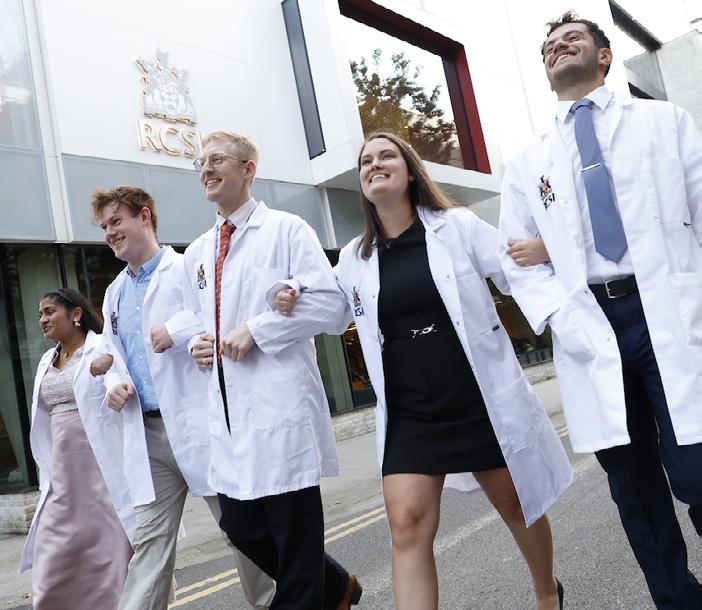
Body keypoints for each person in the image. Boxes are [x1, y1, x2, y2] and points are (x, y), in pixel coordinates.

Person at [276, 132, 571, 610]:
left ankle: (546, 592)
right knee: (407, 524)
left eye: (386, 156)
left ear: (410, 171)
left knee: (516, 503)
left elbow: (512, 265)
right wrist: (287, 292)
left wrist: (548, 249)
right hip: (409, 410)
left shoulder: (457, 227)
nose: (374, 164)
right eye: (366, 161)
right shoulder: (355, 256)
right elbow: (328, 305)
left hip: (475, 397)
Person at [499, 11, 702, 609]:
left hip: (668, 311)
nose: (559, 48)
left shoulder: (664, 122)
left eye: (573, 39)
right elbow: (516, 259)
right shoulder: (528, 161)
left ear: (604, 56)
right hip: (589, 323)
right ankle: (678, 601)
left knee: (697, 468)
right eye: (550, 46)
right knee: (634, 488)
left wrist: (554, 247)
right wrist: (562, 313)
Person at [182, 131, 361, 609]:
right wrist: (199, 343)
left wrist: (258, 329)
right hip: (229, 416)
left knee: (295, 541)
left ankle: (322, 592)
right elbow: (197, 319)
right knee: (240, 527)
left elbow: (333, 306)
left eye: (217, 159)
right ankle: (337, 587)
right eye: (201, 163)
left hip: (280, 410)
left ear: (248, 169)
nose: (206, 169)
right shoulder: (198, 252)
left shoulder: (287, 230)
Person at [90, 186, 275, 610]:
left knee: (240, 528)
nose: (109, 233)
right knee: (150, 541)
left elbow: (216, 316)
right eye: (104, 227)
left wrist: (181, 335)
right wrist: (111, 380)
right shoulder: (115, 291)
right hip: (148, 433)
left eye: (116, 221)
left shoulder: (188, 268)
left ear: (145, 217)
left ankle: (279, 601)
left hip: (199, 425)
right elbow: (111, 351)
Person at [19, 288, 133, 610]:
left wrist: (113, 384)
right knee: (51, 549)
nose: (42, 320)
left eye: (49, 312)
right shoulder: (47, 360)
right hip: (60, 473)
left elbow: (115, 376)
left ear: (76, 314)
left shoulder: (100, 348)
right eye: (40, 314)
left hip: (99, 470)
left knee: (109, 547)